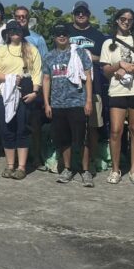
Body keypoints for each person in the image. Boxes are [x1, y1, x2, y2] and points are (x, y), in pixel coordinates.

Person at [99, 9, 134, 186]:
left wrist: (130, 68)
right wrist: (118, 65)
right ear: (116, 21)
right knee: (116, 130)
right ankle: (115, 169)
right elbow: (106, 71)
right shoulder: (108, 43)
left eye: (130, 20)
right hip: (117, 91)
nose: (126, 22)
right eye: (122, 19)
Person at [0, 21, 42, 180]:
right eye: (11, 30)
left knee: (22, 130)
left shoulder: (31, 50)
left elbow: (37, 73)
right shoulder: (2, 50)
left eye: (17, 30)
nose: (15, 33)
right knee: (6, 129)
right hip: (4, 94)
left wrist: (35, 92)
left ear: (22, 32)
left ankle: (22, 166)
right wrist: (10, 79)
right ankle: (10, 165)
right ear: (7, 33)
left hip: (24, 94)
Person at [41, 24, 94, 187]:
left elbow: (87, 77)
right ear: (54, 37)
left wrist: (89, 100)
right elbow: (46, 79)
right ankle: (68, 169)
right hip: (57, 104)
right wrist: (47, 103)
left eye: (64, 34)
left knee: (82, 139)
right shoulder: (49, 57)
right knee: (63, 140)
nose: (61, 36)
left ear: (68, 36)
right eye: (58, 34)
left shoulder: (79, 53)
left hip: (77, 101)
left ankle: (86, 172)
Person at [64, 1, 107, 176]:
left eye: (84, 13)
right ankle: (70, 162)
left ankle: (91, 161)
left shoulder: (98, 35)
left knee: (92, 127)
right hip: (68, 88)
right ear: (73, 14)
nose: (81, 15)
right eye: (78, 12)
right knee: (68, 127)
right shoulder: (65, 31)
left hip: (93, 87)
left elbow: (104, 59)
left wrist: (87, 56)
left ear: (89, 15)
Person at [13, 6, 49, 171]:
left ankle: (36, 157)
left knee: (34, 124)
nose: (21, 19)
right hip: (13, 85)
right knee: (15, 123)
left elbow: (44, 65)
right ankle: (16, 158)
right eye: (18, 17)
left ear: (28, 19)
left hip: (33, 85)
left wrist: (39, 89)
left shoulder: (38, 39)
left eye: (24, 17)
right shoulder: (9, 38)